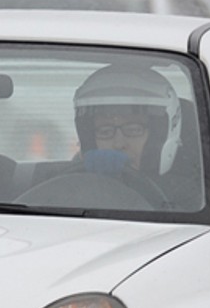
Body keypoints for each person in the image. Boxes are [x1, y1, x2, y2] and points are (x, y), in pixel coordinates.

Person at [70, 64, 197, 207]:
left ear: (162, 134)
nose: (118, 144)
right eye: (105, 132)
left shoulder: (198, 200)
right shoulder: (66, 188)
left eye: (133, 130)